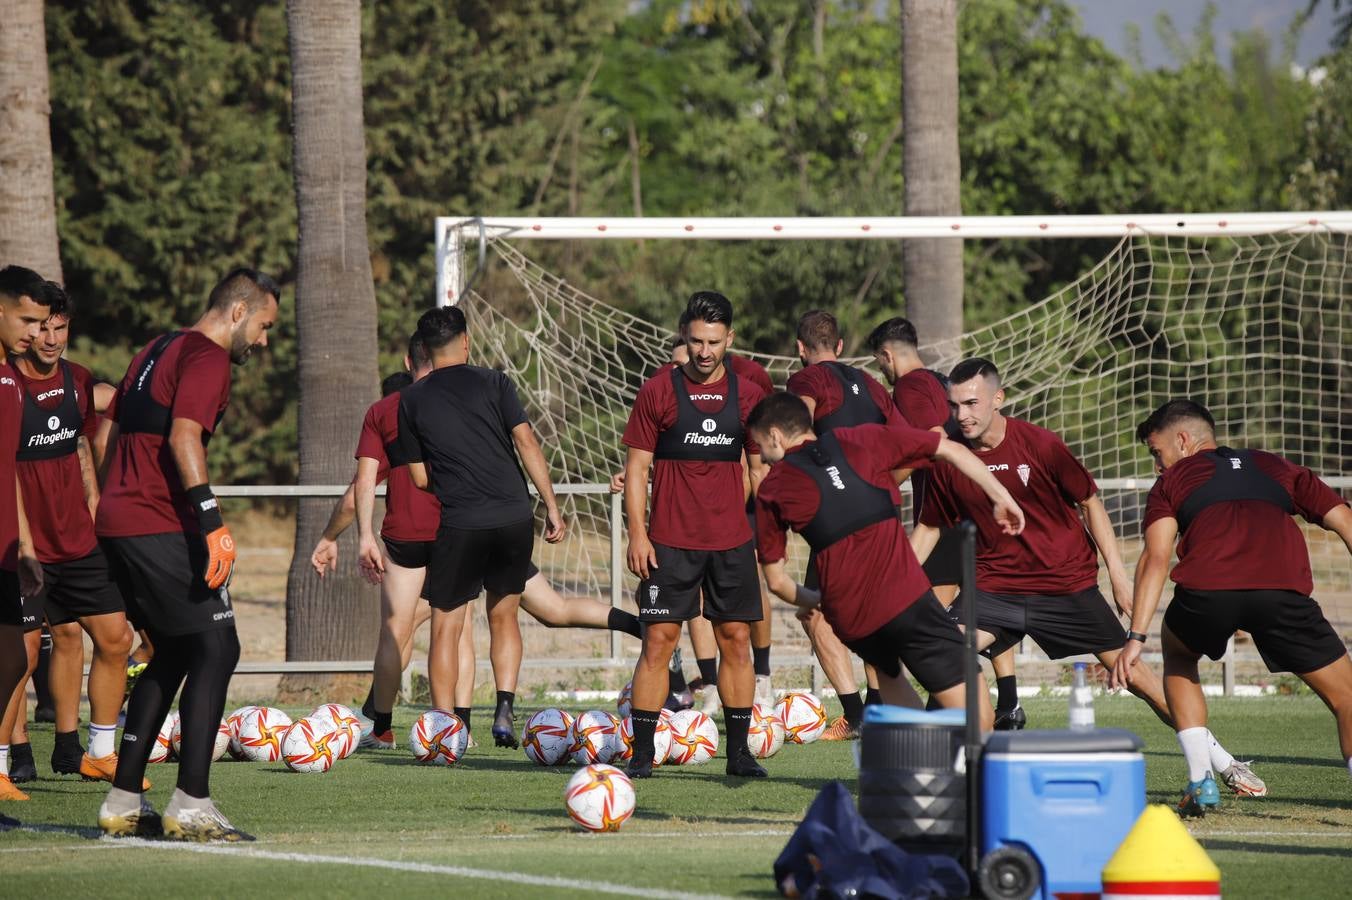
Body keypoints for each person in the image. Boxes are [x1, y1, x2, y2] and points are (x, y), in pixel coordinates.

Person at [912, 359, 1264, 799]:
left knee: (1141, 680)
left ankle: (1224, 763)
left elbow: (1091, 502)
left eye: (971, 403)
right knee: (943, 653)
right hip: (993, 587)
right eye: (954, 405)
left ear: (998, 399)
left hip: (1065, 587)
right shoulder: (950, 460)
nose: (961, 414)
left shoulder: (1040, 445)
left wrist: (1117, 575)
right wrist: (899, 577)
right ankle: (928, 773)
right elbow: (929, 526)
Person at [95, 267, 280, 841]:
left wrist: (110, 501)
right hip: (159, 524)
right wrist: (213, 523)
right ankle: (192, 802)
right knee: (218, 647)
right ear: (237, 312)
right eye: (265, 326)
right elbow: (183, 439)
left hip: (121, 522)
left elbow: (109, 428)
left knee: (173, 651)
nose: (265, 341)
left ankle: (124, 802)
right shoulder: (208, 357)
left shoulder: (157, 347)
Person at [1113, 400, 1352, 814]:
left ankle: (1201, 781)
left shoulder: (1171, 483)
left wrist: (1136, 637)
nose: (1157, 465)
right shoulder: (1276, 466)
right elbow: (1344, 520)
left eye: (1157, 453)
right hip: (1282, 591)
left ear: (1183, 441)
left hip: (1209, 591)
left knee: (1178, 654)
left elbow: (1155, 557)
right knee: (1347, 697)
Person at [749, 392, 1024, 725]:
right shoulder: (860, 438)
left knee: (889, 672)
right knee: (970, 697)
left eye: (761, 445)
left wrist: (817, 599)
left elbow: (776, 581)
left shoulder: (771, 488)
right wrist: (1001, 496)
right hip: (904, 596)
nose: (762, 457)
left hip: (851, 617)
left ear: (776, 435)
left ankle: (922, 763)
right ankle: (976, 769)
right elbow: (950, 448)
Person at [398, 306, 568, 749]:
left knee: (446, 625)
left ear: (426, 352)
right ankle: (505, 708)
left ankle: (443, 729)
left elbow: (418, 478)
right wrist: (551, 506)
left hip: (462, 520)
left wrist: (455, 479)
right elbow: (526, 441)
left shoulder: (411, 400)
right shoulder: (496, 382)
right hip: (514, 515)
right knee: (504, 615)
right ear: (466, 341)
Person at [621, 291, 767, 779]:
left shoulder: (748, 395)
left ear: (730, 338)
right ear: (685, 336)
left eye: (714, 341)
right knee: (658, 643)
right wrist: (638, 533)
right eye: (696, 341)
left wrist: (732, 508)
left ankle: (739, 754)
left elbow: (758, 464)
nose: (704, 352)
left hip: (730, 543)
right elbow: (638, 467)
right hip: (669, 544)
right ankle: (641, 754)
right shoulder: (658, 391)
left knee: (737, 640)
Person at [868, 317, 1025, 730]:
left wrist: (882, 484)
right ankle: (1006, 700)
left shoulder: (909, 387)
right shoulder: (941, 380)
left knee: (927, 622)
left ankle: (937, 710)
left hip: (944, 513)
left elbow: (936, 439)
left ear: (887, 355)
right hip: (967, 508)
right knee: (979, 606)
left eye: (879, 362)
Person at [8, 283, 134, 787]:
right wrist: (21, 544)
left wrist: (94, 497)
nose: (50, 337)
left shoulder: (78, 381)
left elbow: (81, 443)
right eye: (41, 327)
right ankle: (12, 756)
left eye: (60, 328)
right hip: (22, 548)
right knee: (20, 655)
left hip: (78, 543)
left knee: (113, 637)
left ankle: (85, 749)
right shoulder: (6, 385)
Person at [786, 310, 911, 740]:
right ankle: (877, 711)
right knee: (871, 612)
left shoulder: (806, 381)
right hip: (881, 511)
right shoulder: (873, 385)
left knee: (813, 613)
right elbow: (904, 446)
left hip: (838, 517)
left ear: (800, 349)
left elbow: (796, 433)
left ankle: (858, 714)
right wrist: (879, 486)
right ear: (839, 346)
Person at [0, 266, 52, 815]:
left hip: (5, 548)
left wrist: (25, 545)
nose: (36, 333)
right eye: (27, 319)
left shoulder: (12, 381)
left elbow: (8, 468)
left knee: (15, 658)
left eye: (43, 323)